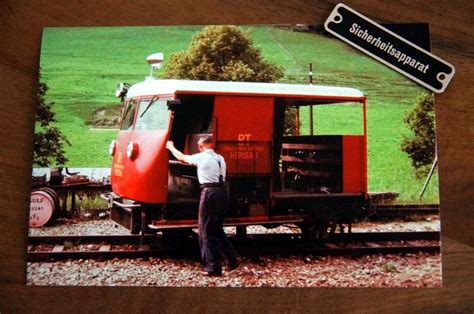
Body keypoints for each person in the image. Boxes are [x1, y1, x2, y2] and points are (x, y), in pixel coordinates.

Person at [166, 135, 239, 276]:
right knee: (217, 229)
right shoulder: (220, 158)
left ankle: (213, 268)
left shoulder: (202, 157)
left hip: (209, 193)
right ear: (212, 145)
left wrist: (170, 147)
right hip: (222, 193)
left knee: (205, 231)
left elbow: (181, 157)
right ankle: (232, 258)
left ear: (200, 147)